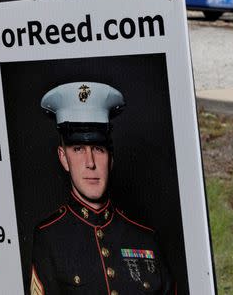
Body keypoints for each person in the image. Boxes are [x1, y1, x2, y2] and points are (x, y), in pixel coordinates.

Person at [30, 82, 174, 295]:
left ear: (111, 158)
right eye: (78, 149)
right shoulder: (49, 237)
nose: (90, 162)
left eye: (99, 149)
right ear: (64, 158)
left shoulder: (145, 238)